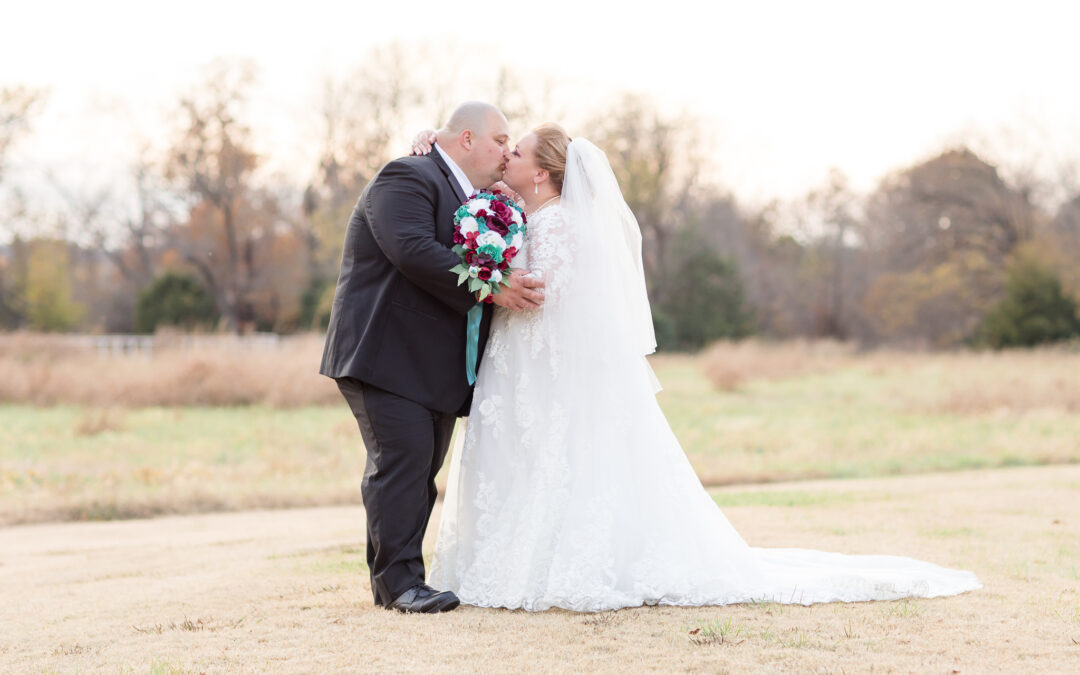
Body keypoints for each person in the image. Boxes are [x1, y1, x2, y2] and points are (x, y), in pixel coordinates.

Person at [410, 124, 982, 611]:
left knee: (556, 459)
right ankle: (517, 559)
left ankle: (552, 564)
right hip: (523, 364)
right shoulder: (523, 217)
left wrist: (497, 283)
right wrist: (432, 146)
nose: (505, 156)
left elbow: (548, 300)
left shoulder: (558, 225)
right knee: (535, 460)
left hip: (544, 366)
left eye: (517, 152)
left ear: (541, 174)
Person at [319, 102, 545, 614]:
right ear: (466, 139)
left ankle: (399, 582)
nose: (508, 151)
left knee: (420, 471)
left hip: (435, 365)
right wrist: (494, 286)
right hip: (383, 353)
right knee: (401, 465)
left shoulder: (480, 196)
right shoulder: (407, 175)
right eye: (500, 140)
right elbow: (412, 248)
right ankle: (400, 587)